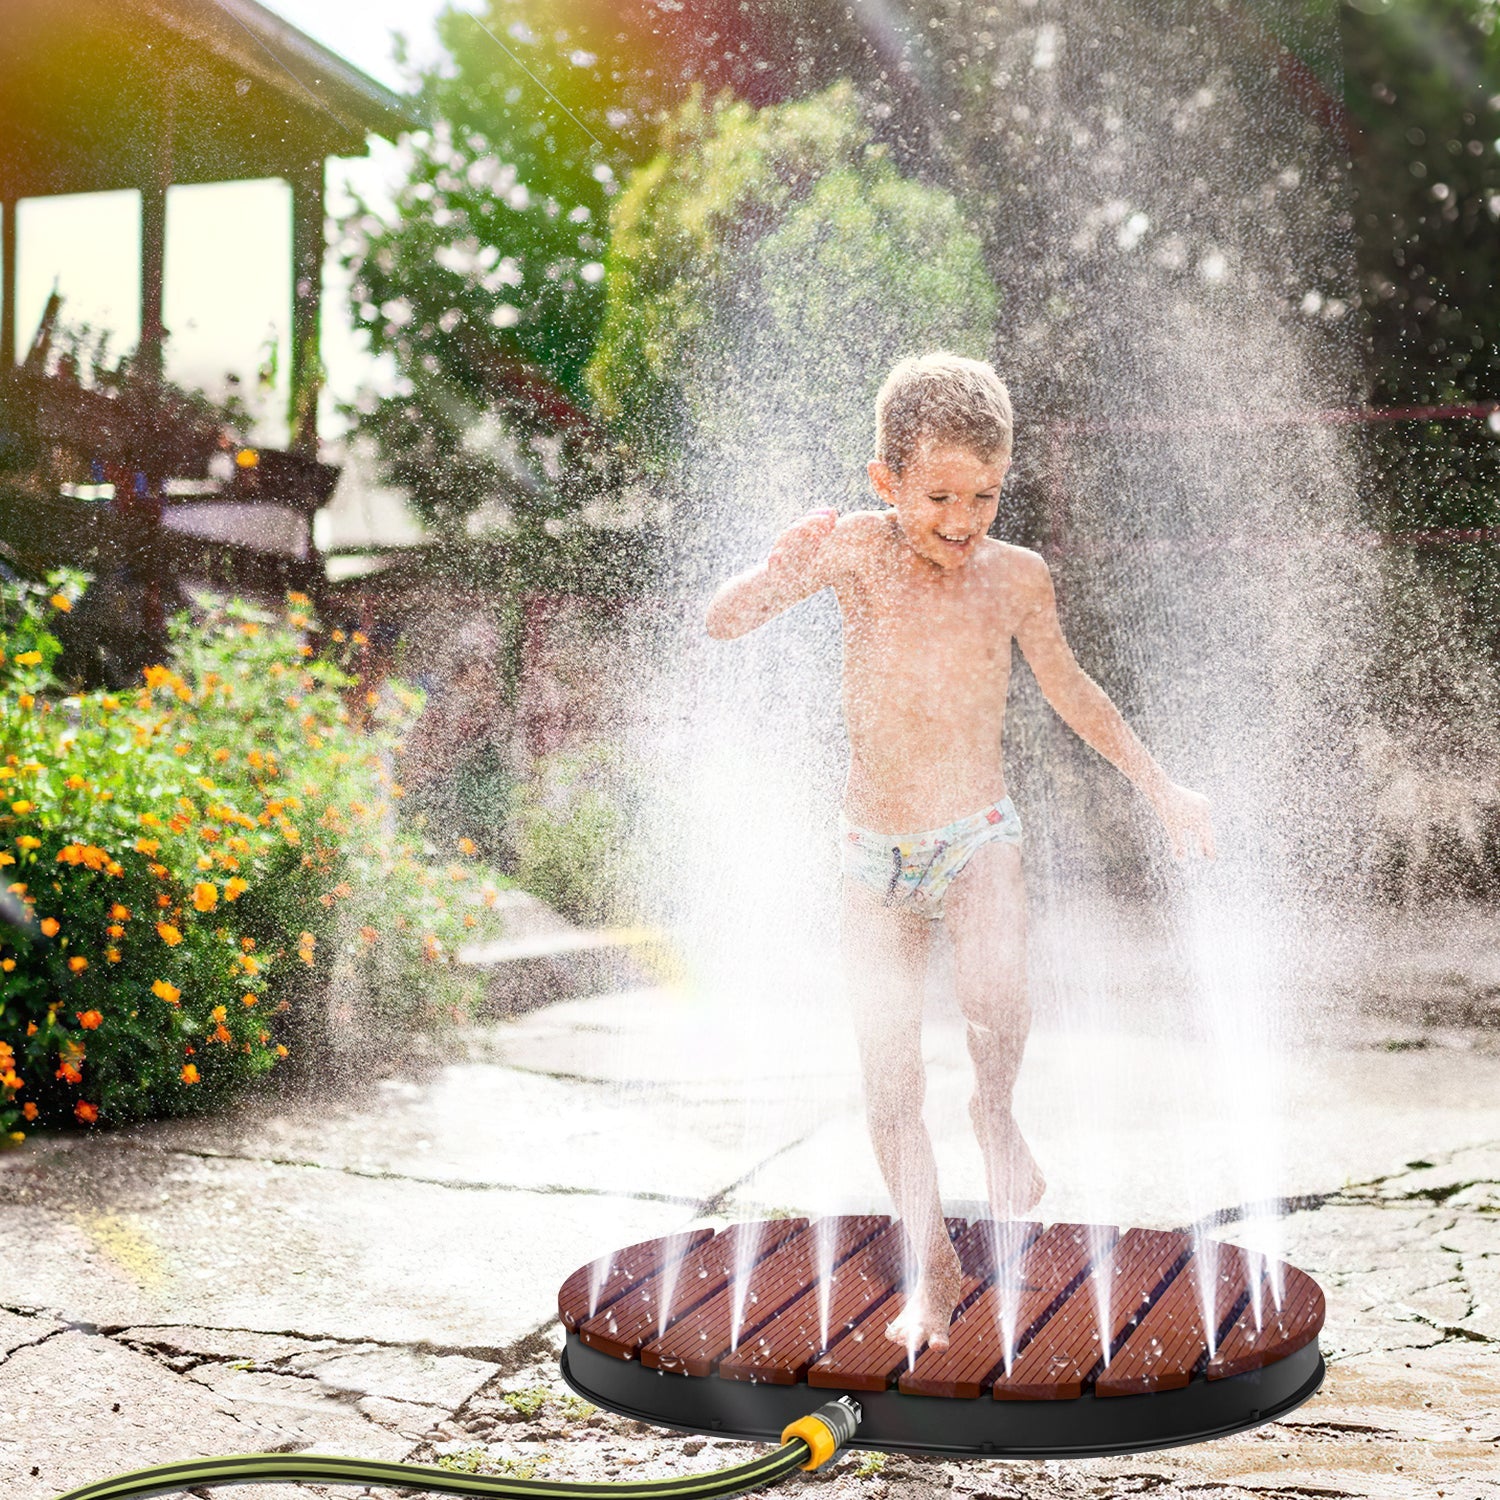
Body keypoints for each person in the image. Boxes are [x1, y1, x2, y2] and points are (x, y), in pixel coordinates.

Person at [703, 352, 1215, 1351]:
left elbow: (1072, 691)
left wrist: (1161, 786)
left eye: (984, 494)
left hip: (977, 835)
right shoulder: (850, 551)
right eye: (937, 495)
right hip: (870, 857)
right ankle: (931, 1266)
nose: (961, 518)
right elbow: (721, 624)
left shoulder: (1017, 580)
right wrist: (774, 568)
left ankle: (997, 1111)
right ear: (884, 482)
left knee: (995, 1000)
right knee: (889, 1078)